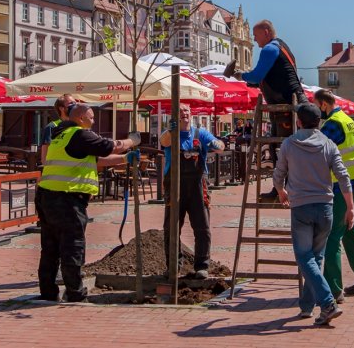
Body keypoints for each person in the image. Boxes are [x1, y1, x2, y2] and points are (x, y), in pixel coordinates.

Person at [35, 103, 141, 302]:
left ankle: (47, 292)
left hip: (47, 196)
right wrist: (131, 141)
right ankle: (75, 293)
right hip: (67, 199)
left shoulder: (61, 135)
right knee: (72, 246)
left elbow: (96, 160)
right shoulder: (80, 134)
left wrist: (125, 159)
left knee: (50, 247)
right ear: (82, 117)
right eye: (91, 118)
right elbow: (110, 146)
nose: (93, 122)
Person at [274, 102, 354, 326]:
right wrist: (350, 207)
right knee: (316, 258)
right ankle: (307, 307)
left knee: (303, 256)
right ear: (319, 121)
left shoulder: (289, 144)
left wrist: (281, 191)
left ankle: (328, 303)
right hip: (325, 207)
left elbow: (279, 172)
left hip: (301, 207)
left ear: (298, 122)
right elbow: (343, 176)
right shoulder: (328, 144)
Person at [224, 19, 307, 199]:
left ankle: (285, 190)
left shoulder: (270, 49)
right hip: (285, 106)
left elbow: (257, 75)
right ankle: (281, 188)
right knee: (279, 147)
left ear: (266, 32)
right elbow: (266, 77)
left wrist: (238, 74)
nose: (254, 40)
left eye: (256, 35)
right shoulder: (281, 46)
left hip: (286, 106)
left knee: (283, 149)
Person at [313, 89, 354, 302]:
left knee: (332, 235)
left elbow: (318, 150)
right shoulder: (347, 119)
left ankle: (332, 289)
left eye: (317, 106)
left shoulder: (333, 123)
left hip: (342, 186)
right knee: (352, 232)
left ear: (323, 104)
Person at [159, 103, 225, 279]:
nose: (184, 114)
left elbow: (220, 147)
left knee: (202, 227)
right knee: (171, 228)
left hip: (197, 186)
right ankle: (173, 266)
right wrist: (170, 130)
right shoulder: (170, 135)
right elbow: (163, 141)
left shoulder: (199, 133)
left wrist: (215, 143)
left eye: (187, 111)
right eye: (180, 111)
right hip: (175, 186)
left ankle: (202, 266)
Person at [41, 94, 76, 165]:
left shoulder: (79, 126)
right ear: (61, 108)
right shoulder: (52, 127)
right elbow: (44, 158)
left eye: (75, 103)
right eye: (71, 103)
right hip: (57, 172)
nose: (75, 106)